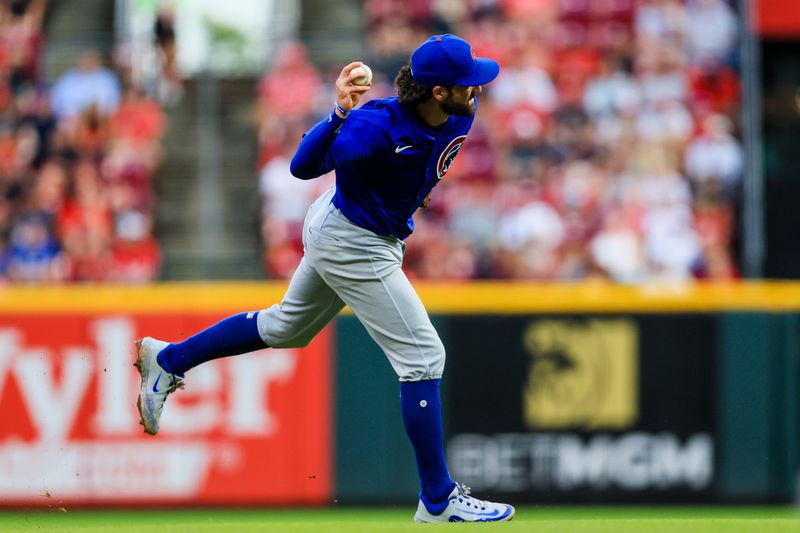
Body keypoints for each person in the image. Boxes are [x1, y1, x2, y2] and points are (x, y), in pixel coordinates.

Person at [135, 34, 514, 523]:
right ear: (438, 92)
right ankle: (438, 500)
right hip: (354, 241)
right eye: (466, 82)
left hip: (354, 229)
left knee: (285, 328)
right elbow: (302, 166)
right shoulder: (377, 125)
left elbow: (419, 163)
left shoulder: (460, 111)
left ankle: (168, 359)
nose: (477, 88)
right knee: (423, 356)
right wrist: (338, 115)